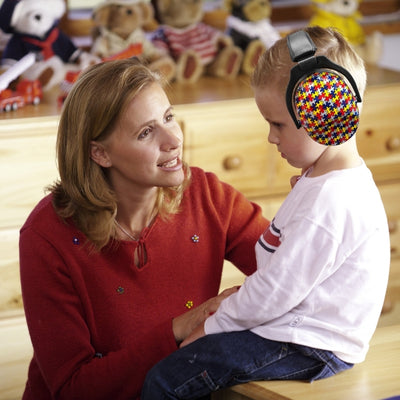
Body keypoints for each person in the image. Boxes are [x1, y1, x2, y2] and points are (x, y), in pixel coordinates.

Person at [141, 26, 391, 399]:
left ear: (330, 113)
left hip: (308, 343)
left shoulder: (330, 202)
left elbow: (274, 291)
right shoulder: (324, 184)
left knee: (167, 379)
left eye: (278, 124)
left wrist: (211, 326)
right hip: (296, 328)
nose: (271, 137)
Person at [18, 58, 269, 400]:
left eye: (168, 117)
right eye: (146, 132)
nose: (173, 140)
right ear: (100, 153)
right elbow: (73, 388)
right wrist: (179, 329)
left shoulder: (208, 196)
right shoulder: (48, 235)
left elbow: (293, 273)